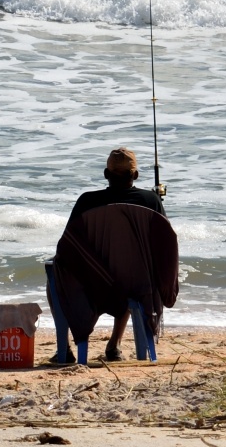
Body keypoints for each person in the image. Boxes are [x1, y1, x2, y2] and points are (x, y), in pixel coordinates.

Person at [49, 148, 165, 362]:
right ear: (136, 175)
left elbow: (67, 246)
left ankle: (64, 349)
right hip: (136, 283)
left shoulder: (87, 201)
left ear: (105, 174)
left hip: (94, 282)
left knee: (55, 273)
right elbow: (163, 244)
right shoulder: (151, 201)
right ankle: (114, 345)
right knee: (128, 270)